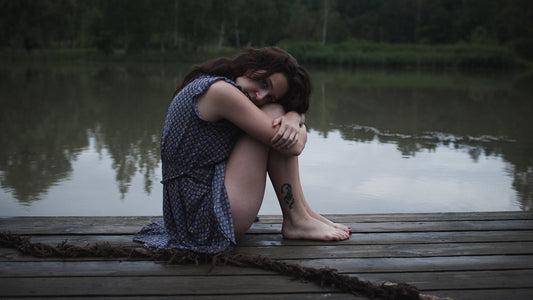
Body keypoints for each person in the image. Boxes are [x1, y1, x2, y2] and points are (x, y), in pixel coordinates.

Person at [134, 47, 350, 254]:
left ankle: (304, 214)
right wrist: (291, 118)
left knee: (276, 118)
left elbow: (288, 132)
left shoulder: (209, 84)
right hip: (207, 221)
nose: (260, 96)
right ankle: (297, 219)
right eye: (264, 83)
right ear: (252, 66)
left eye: (270, 95)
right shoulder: (221, 92)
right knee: (275, 116)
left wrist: (294, 116)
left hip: (190, 218)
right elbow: (295, 145)